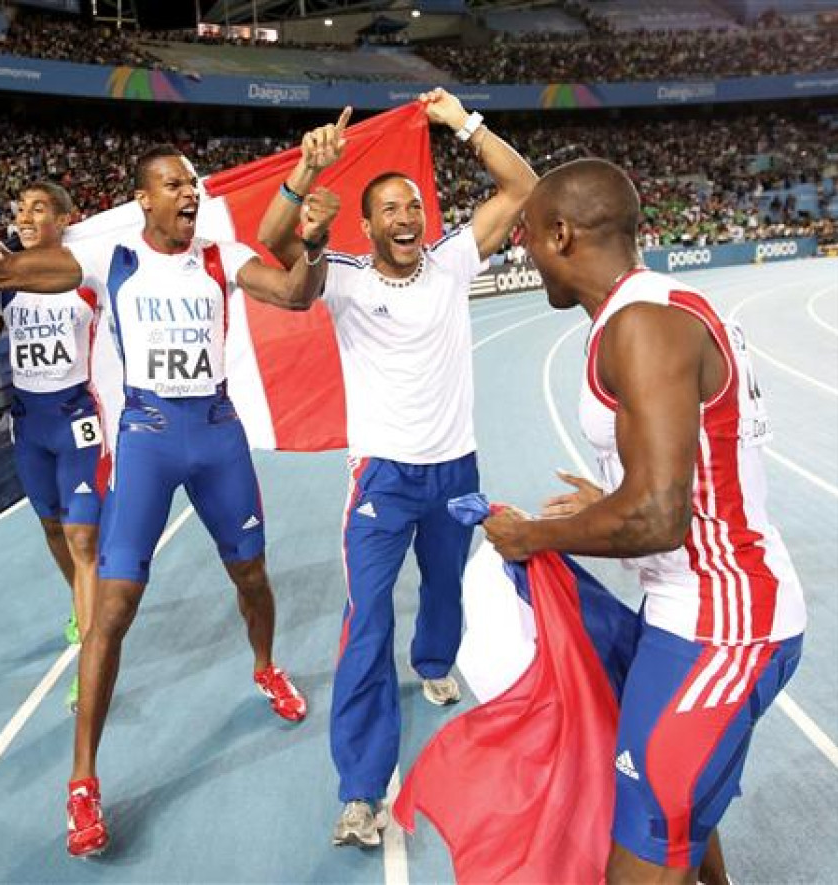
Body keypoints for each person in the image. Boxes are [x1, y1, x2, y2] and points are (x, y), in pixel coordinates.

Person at [0, 137, 334, 857]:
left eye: (191, 182)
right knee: (114, 607)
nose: (188, 192)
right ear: (144, 200)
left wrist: (314, 243)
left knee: (250, 573)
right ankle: (83, 781)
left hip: (217, 434)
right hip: (149, 438)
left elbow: (294, 294)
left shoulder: (218, 254)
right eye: (171, 184)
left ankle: (264, 664)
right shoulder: (109, 259)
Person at [482, 158, 806, 884]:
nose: (522, 251)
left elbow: (659, 515)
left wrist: (531, 535)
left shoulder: (641, 324)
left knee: (635, 861)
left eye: (528, 236)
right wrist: (601, 502)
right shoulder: (654, 307)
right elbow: (680, 479)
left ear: (560, 233)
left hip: (724, 624)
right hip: (692, 612)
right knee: (671, 820)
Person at [256, 90, 537, 847]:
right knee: (366, 621)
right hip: (381, 477)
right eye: (388, 209)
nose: (405, 218)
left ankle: (437, 659)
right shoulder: (340, 274)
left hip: (454, 470)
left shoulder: (451, 260)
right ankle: (359, 788)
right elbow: (273, 242)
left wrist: (464, 124)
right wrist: (302, 178)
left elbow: (522, 189)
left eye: (413, 205)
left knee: (442, 591)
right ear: (367, 225)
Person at [0, 180, 104, 713]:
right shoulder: (6, 283)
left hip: (78, 421)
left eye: (38, 208)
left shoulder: (89, 275)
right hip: (29, 424)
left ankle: (90, 667)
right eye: (20, 209)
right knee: (51, 527)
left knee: (84, 540)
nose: (24, 216)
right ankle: (80, 600)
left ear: (66, 219)